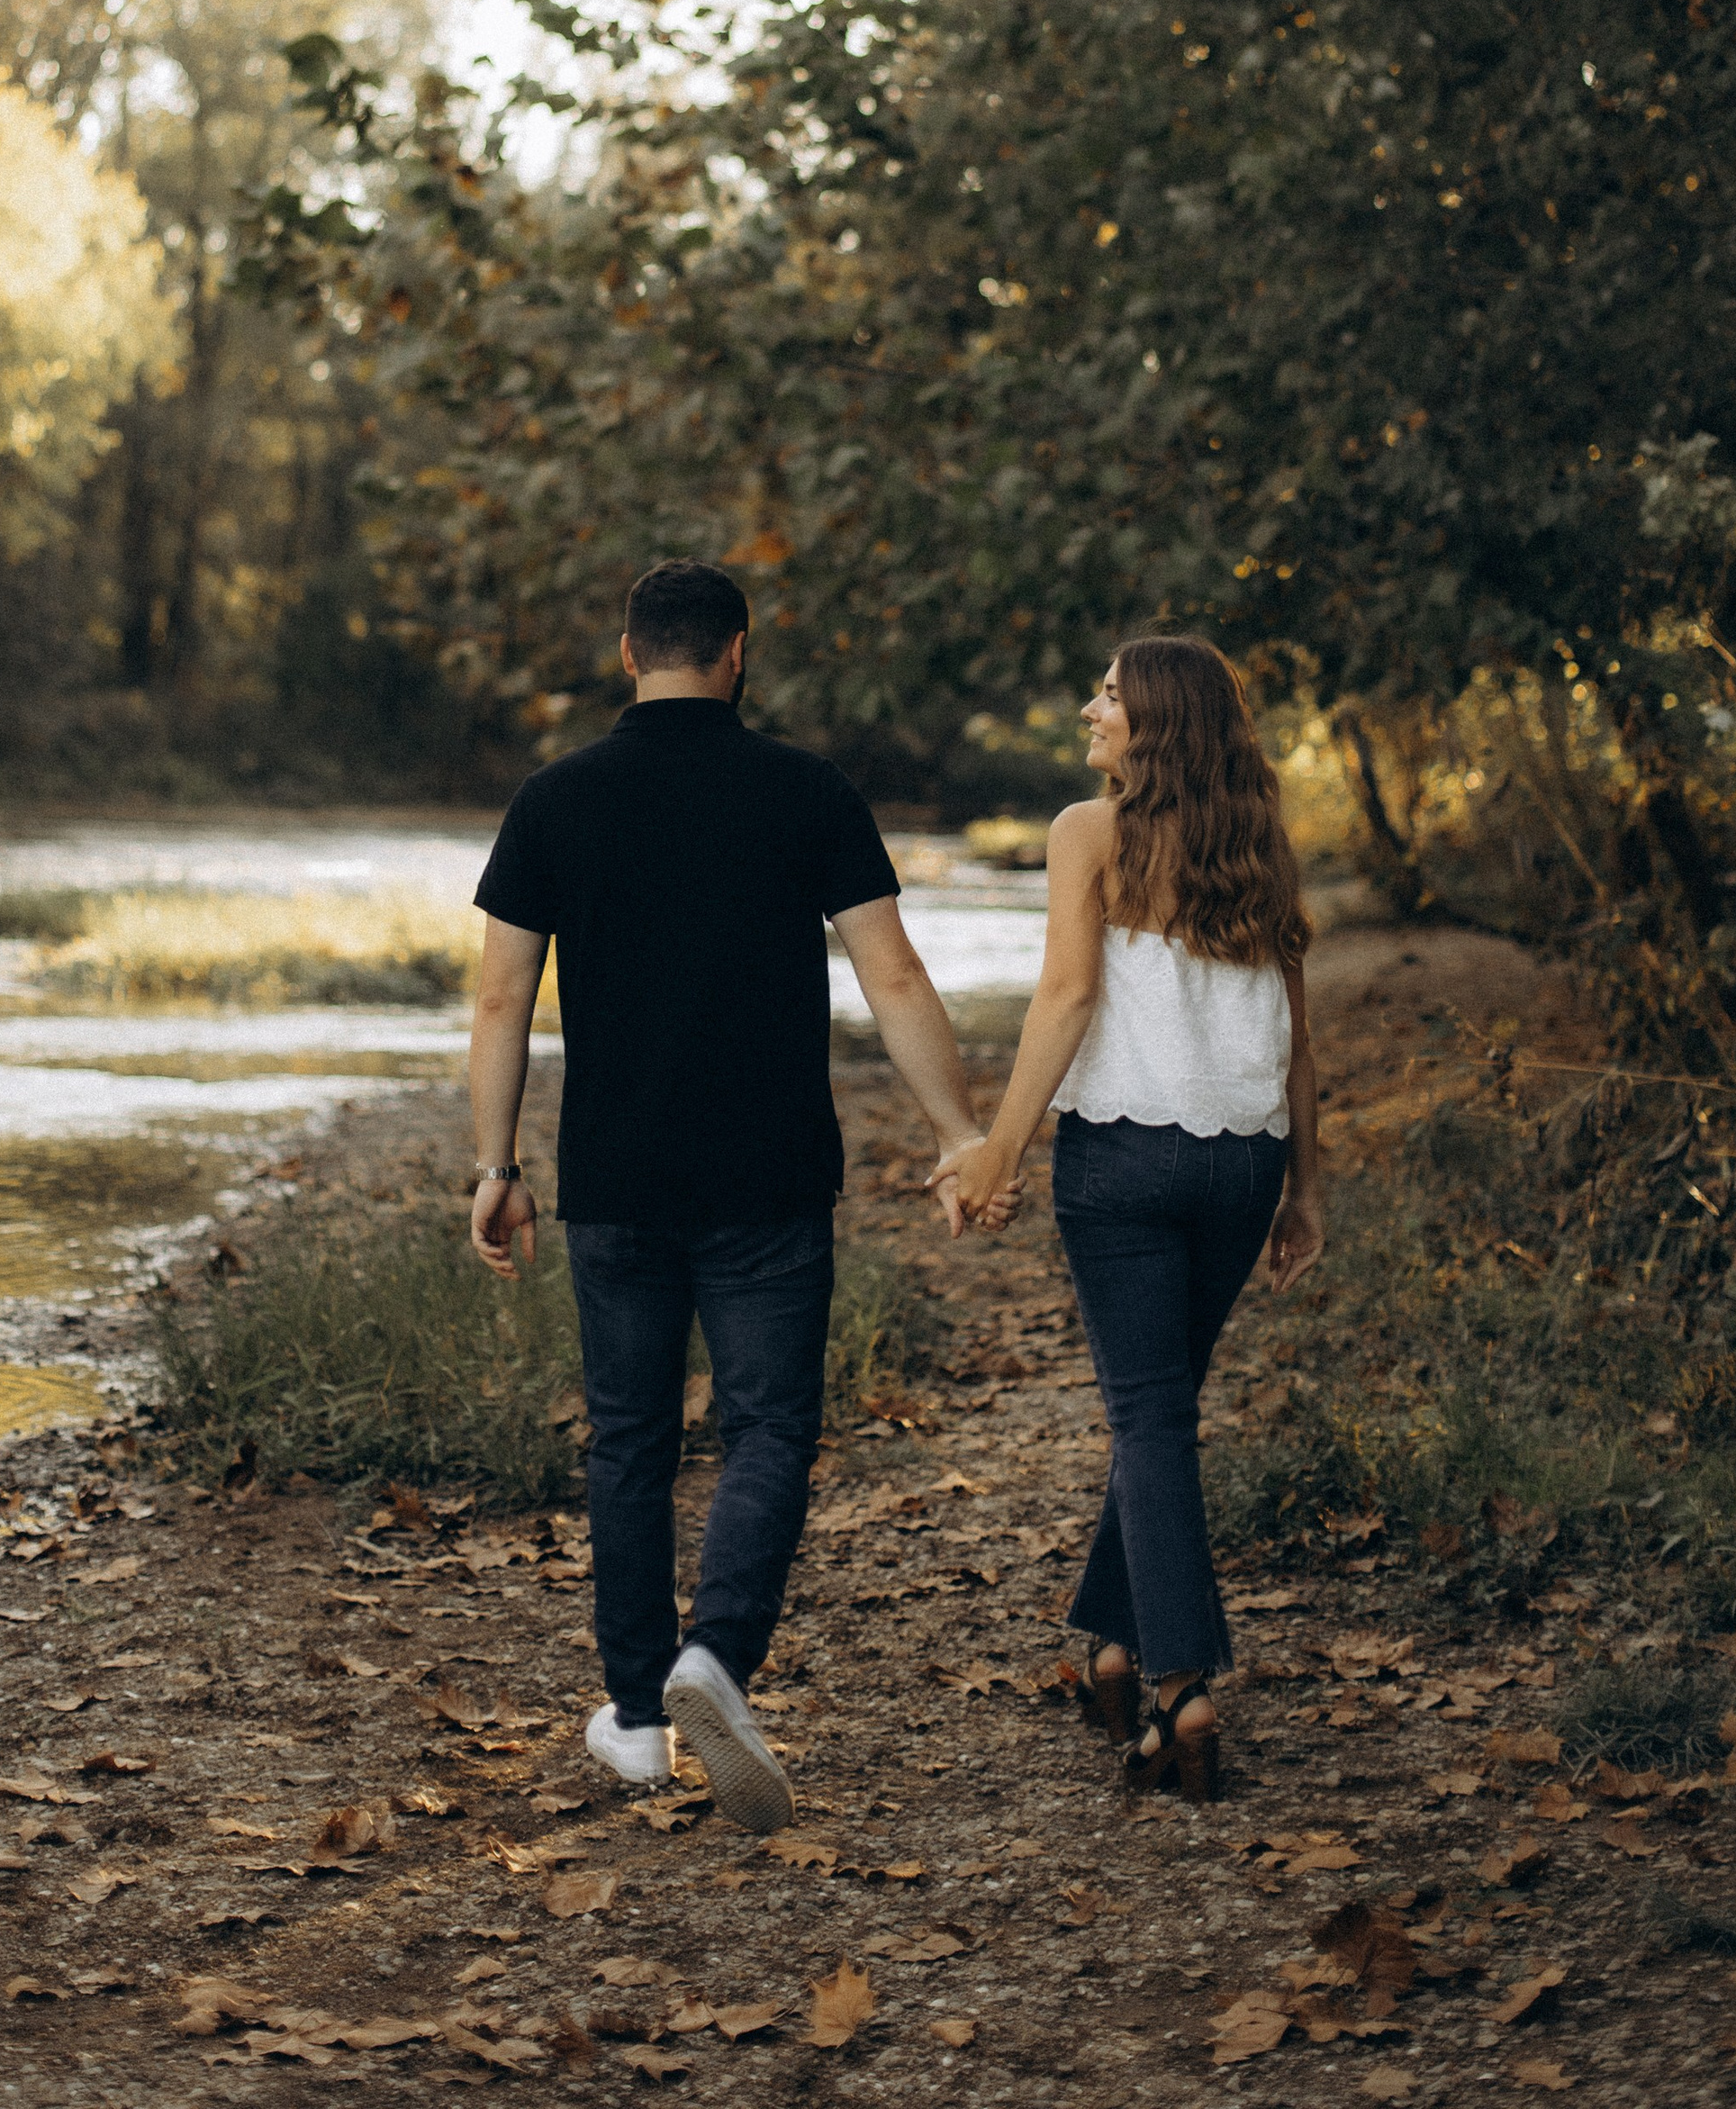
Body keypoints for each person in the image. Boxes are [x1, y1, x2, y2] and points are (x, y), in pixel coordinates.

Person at [466, 556, 988, 1832]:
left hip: (616, 1176)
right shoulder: (807, 791)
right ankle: (719, 1655)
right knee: (767, 1430)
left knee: (631, 1440)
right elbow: (898, 978)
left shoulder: (556, 799)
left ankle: (639, 1723)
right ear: (739, 653)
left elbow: (499, 1000)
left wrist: (497, 1165)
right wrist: (963, 1132)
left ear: (626, 650)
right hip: (768, 1175)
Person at [936, 636, 1325, 1804]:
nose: (1089, 708)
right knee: (1159, 1411)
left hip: (1122, 1161)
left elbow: (1067, 993)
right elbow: (1301, 1037)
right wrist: (1308, 1188)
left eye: (1107, 694)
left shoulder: (1086, 831)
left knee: (1152, 1419)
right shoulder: (1260, 847)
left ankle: (1182, 1692)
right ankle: (1110, 1643)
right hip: (1242, 1163)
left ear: (1154, 721)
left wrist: (998, 1150)